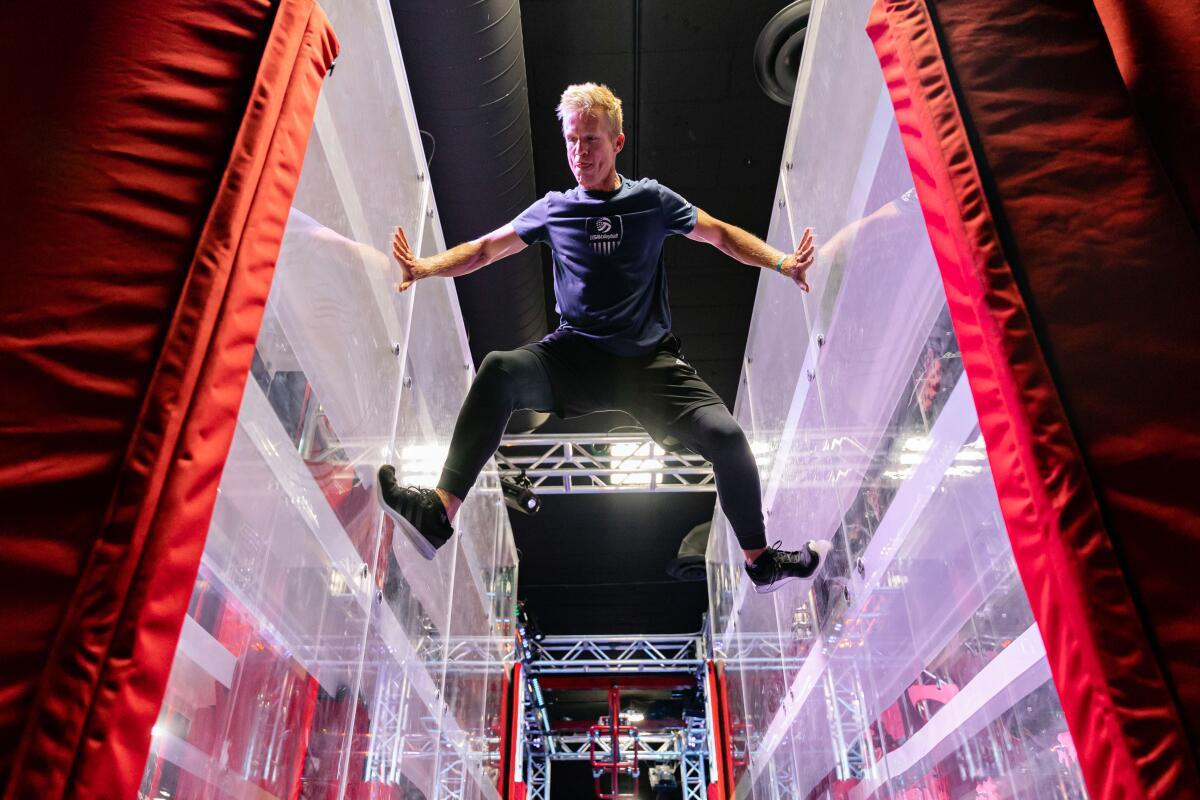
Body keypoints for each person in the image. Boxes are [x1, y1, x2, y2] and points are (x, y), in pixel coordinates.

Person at [377, 83, 830, 594]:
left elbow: (720, 234)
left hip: (649, 364)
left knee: (727, 439)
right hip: (577, 355)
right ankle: (440, 510)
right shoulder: (553, 209)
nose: (580, 153)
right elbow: (485, 250)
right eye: (571, 141)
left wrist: (783, 262)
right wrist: (423, 267)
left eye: (591, 140)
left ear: (618, 141)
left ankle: (759, 560)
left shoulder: (652, 201)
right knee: (499, 370)